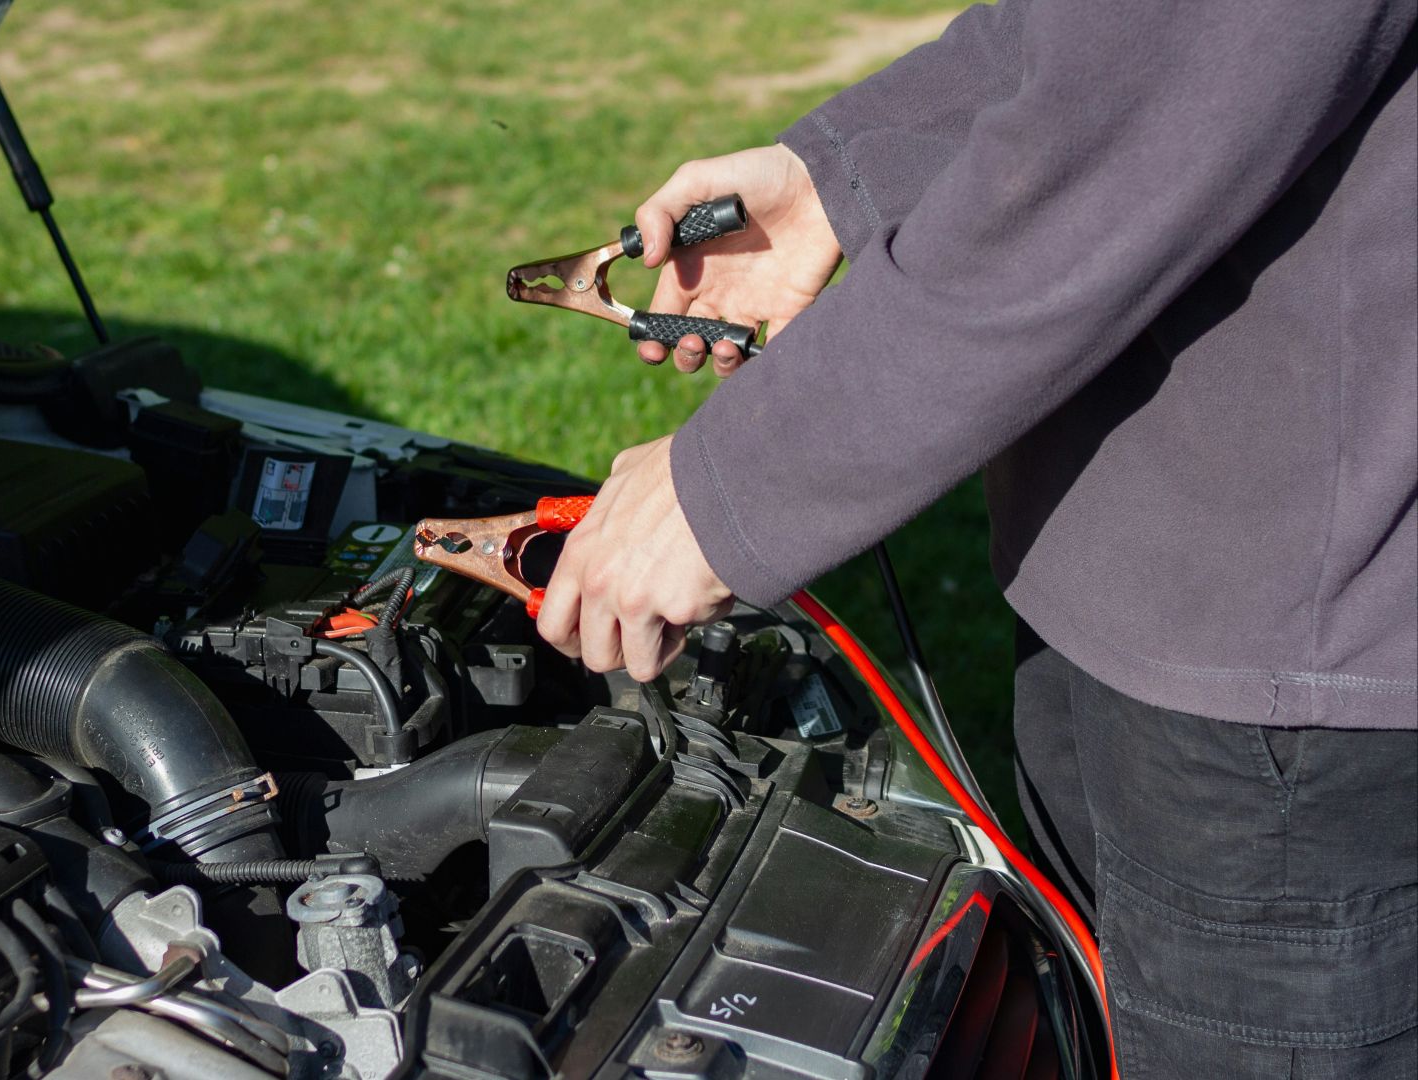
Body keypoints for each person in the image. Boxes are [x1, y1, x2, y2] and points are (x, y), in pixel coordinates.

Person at [531, 0, 1418, 1075]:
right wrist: (837, 174)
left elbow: (1118, 152)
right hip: (1119, 579)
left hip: (1291, 682)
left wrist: (727, 487)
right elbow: (1108, 35)